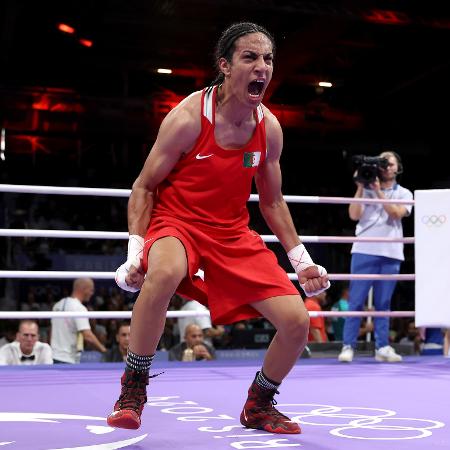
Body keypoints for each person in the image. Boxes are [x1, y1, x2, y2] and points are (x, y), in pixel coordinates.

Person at [107, 22, 330, 434]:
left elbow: (272, 201)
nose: (262, 67)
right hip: (177, 222)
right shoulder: (189, 118)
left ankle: (259, 404)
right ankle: (133, 388)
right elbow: (144, 186)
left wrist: (302, 261)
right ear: (225, 66)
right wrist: (135, 252)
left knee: (297, 322)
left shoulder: (269, 129)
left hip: (231, 233)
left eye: (268, 59)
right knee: (166, 273)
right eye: (250, 57)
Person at [338, 151, 413, 363]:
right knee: (356, 301)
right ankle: (348, 346)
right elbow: (354, 215)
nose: (386, 167)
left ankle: (383, 347)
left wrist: (379, 193)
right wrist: (361, 185)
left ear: (398, 168)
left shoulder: (405, 193)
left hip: (391, 252)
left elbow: (397, 213)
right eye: (383, 163)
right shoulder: (365, 190)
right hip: (364, 250)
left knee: (384, 302)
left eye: (389, 163)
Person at [51, 278, 107, 363]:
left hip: (53, 356)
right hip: (67, 359)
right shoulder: (79, 308)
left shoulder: (57, 305)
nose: (92, 294)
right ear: (84, 289)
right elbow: (88, 336)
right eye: (91, 290)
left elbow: (51, 332)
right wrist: (104, 351)